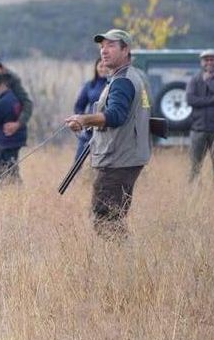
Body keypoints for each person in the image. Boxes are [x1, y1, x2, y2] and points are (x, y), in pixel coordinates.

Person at [64, 29, 151, 240]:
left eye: (111, 45)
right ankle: (125, 262)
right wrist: (88, 124)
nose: (104, 50)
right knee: (112, 216)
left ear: (126, 49)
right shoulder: (128, 77)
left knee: (104, 218)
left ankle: (127, 260)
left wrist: (85, 119)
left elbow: (116, 116)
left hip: (118, 159)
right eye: (102, 46)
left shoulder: (123, 81)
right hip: (126, 156)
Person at [185, 50, 214, 182]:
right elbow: (190, 100)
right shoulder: (194, 80)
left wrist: (210, 82)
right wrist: (212, 100)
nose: (209, 62)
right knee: (194, 167)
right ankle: (192, 193)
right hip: (198, 130)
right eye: (206, 60)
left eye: (212, 60)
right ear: (201, 62)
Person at [73, 58, 109, 159]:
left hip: (105, 131)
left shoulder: (112, 85)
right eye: (101, 66)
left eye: (106, 66)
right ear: (96, 68)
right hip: (88, 130)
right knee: (78, 162)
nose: (103, 69)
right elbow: (78, 106)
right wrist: (84, 119)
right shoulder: (89, 85)